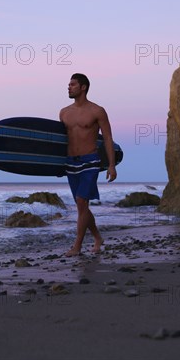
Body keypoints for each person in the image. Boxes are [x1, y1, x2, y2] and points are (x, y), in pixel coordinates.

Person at [59, 73, 117, 256]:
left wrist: (111, 165)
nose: (69, 87)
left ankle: (77, 246)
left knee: (82, 201)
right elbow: (60, 141)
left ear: (83, 87)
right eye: (69, 84)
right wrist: (56, 165)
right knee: (81, 206)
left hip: (90, 161)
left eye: (73, 84)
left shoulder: (97, 111)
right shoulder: (64, 112)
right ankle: (98, 237)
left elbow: (107, 138)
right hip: (71, 162)